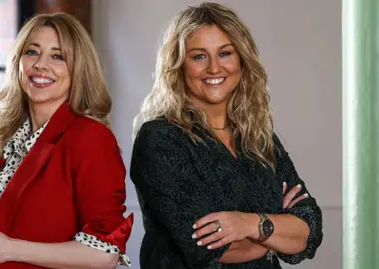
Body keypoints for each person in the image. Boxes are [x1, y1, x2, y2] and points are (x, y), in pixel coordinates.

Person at [130, 2, 323, 269]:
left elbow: (309, 229)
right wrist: (275, 231)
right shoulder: (160, 139)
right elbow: (208, 247)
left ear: (242, 61)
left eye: (225, 53)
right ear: (179, 65)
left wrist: (248, 224)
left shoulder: (259, 138)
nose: (214, 68)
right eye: (199, 56)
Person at [0, 12, 133, 269]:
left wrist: (10, 249)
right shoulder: (9, 139)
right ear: (18, 61)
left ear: (78, 68)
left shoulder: (90, 138)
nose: (40, 65)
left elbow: (105, 254)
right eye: (32, 52)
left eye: (58, 56)